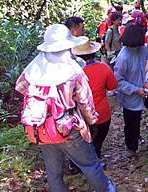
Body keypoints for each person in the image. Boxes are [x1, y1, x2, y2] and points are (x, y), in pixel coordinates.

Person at [15, 24, 115, 192]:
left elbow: (21, 87)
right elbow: (85, 102)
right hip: (68, 128)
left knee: (53, 172)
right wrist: (92, 123)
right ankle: (107, 189)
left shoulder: (34, 67)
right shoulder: (73, 70)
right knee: (90, 165)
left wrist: (44, 102)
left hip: (41, 128)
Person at [114, 23, 148, 155]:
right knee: (132, 123)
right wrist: (136, 90)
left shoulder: (142, 49)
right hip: (132, 95)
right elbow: (118, 81)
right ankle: (132, 147)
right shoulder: (123, 58)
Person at [74, 40, 117, 164]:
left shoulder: (72, 73)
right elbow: (112, 85)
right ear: (93, 53)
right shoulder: (103, 68)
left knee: (83, 144)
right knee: (97, 143)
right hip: (101, 114)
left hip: (81, 116)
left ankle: (80, 165)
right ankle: (96, 162)